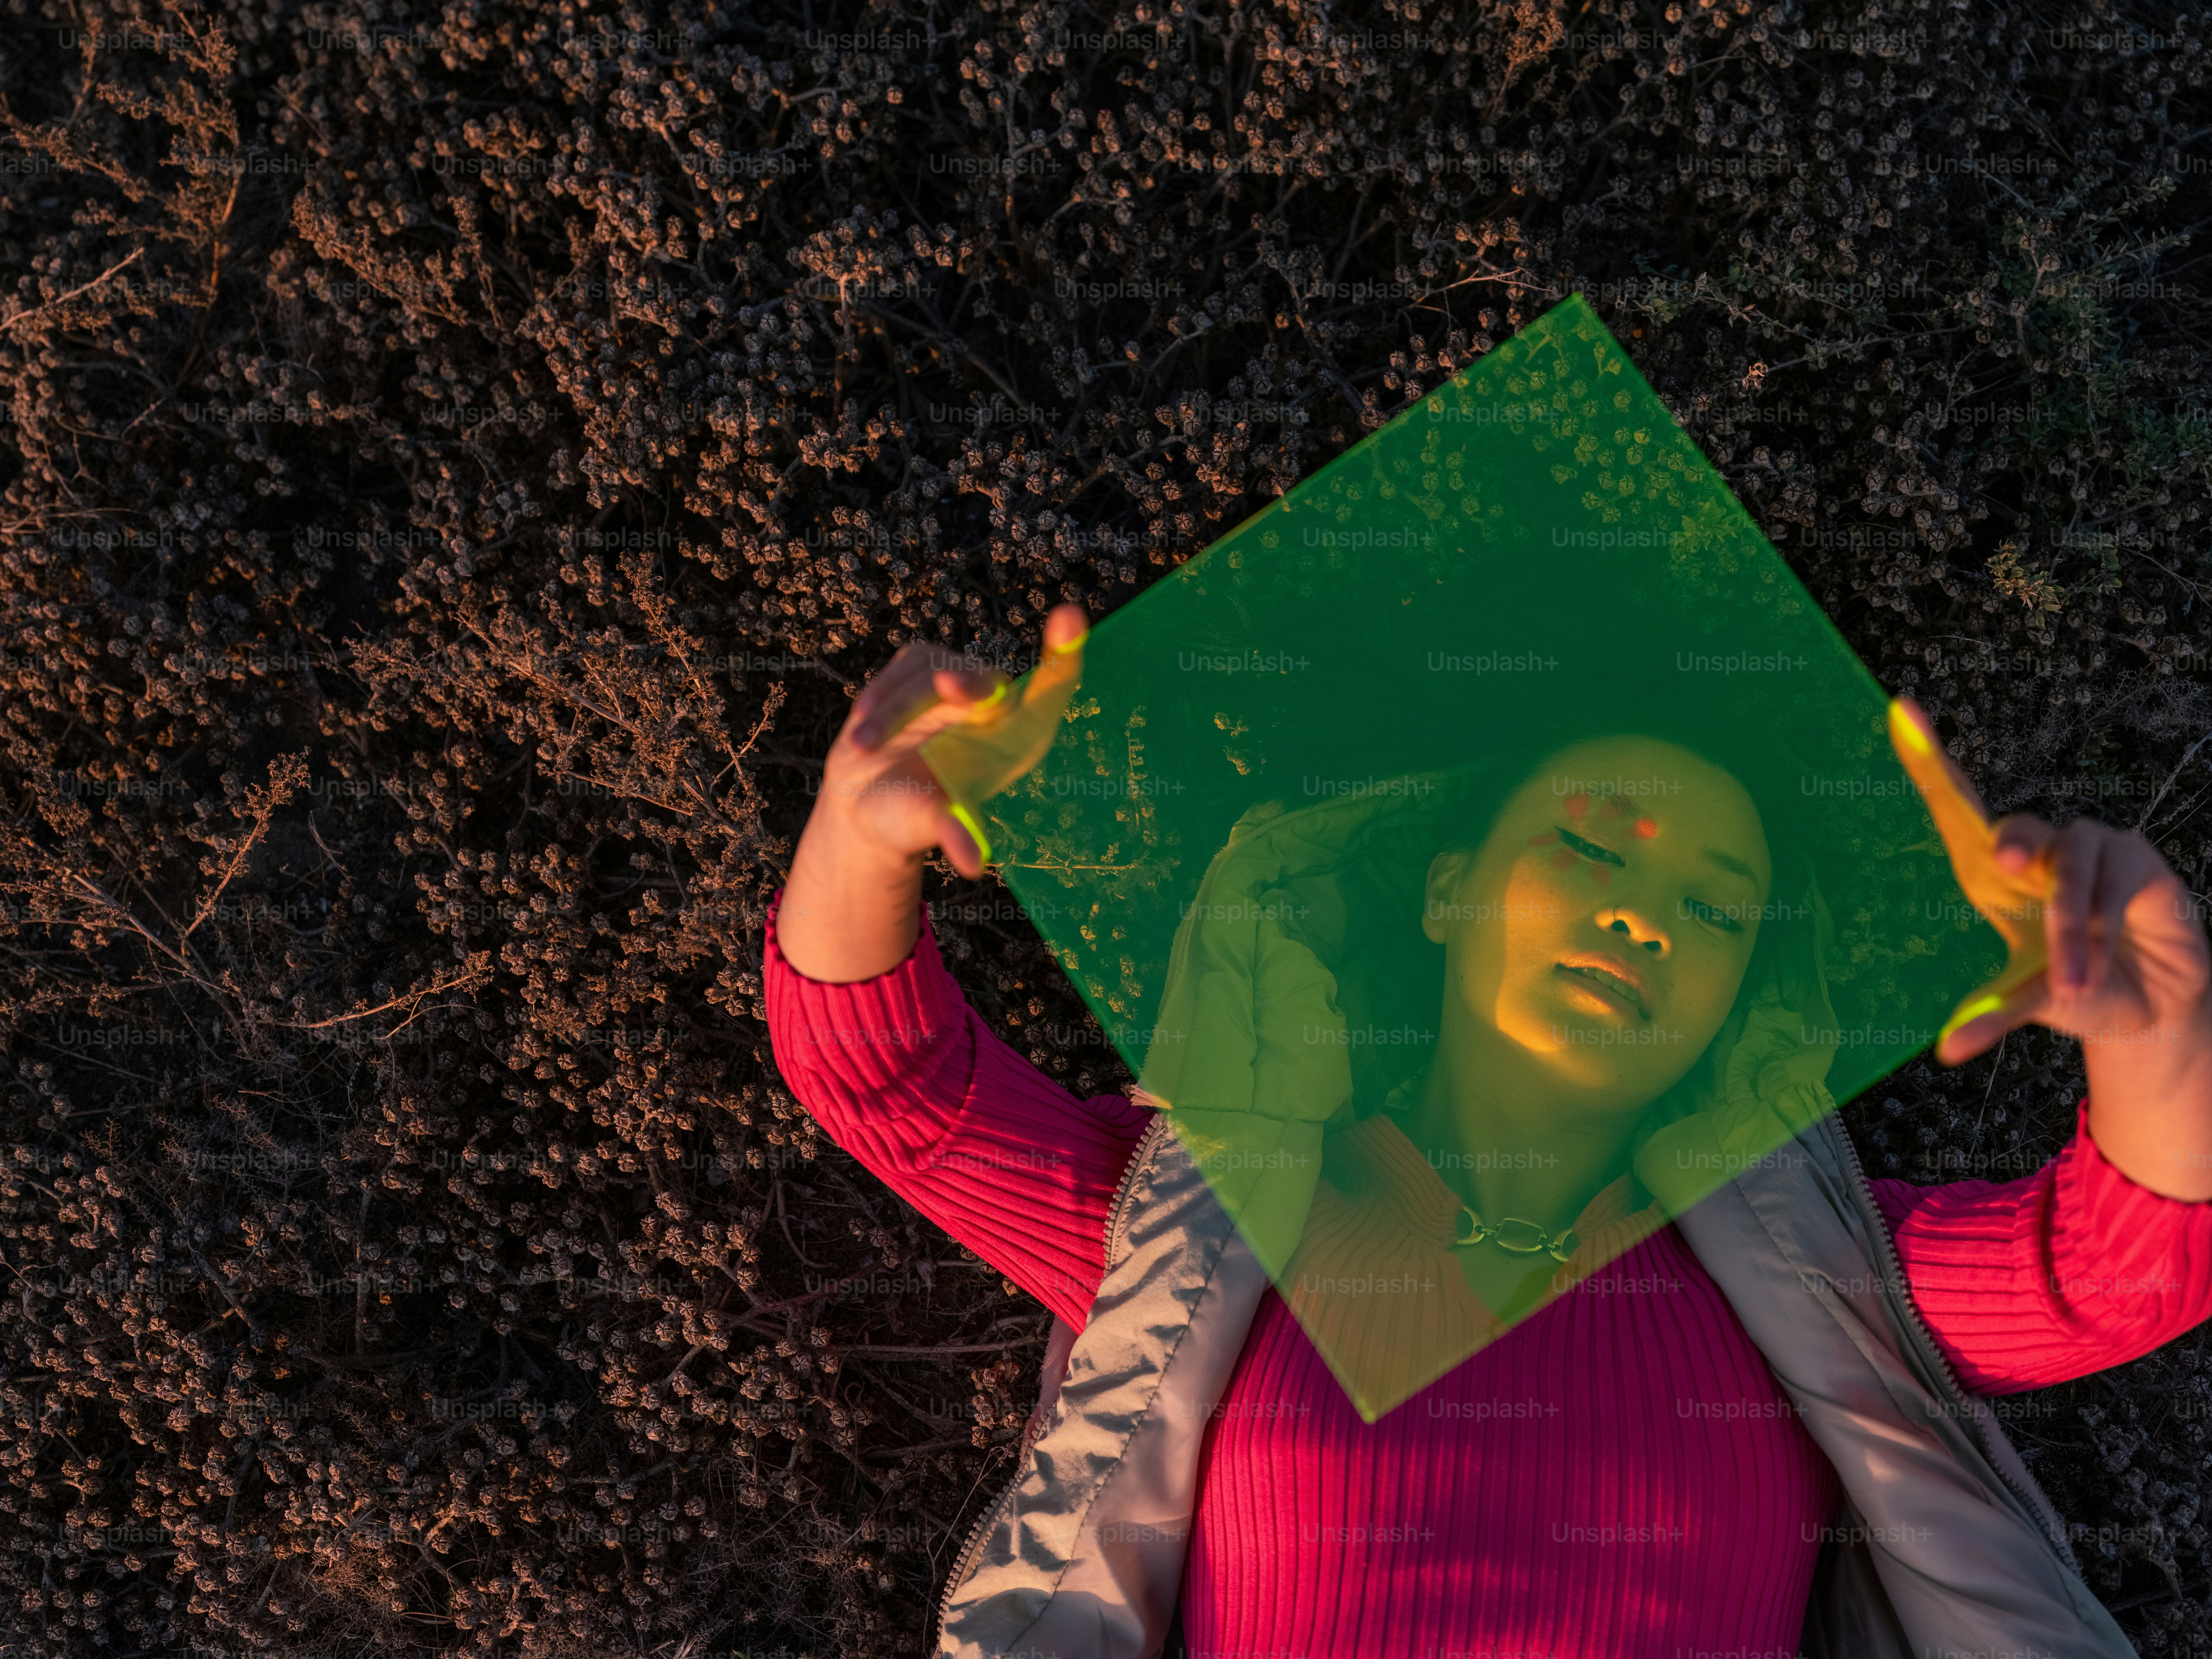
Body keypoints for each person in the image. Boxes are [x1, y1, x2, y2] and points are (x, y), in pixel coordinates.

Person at [771, 604, 2212, 1657]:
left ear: (1734, 1006)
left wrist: (2163, 1035)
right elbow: (893, 1088)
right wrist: (858, 831)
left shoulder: (1813, 1276)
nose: (1643, 913)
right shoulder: (1214, 1216)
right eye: (1587, 844)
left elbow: (2119, 1271)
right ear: (1448, 889)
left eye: (1716, 909)